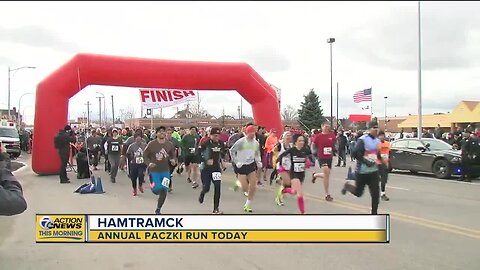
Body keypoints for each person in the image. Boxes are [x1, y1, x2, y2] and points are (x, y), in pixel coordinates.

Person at [341, 123, 382, 215]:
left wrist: (382, 163)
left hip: (373, 172)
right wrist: (366, 161)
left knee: (375, 194)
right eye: (374, 128)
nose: (376, 130)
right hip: (362, 172)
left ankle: (374, 213)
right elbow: (355, 153)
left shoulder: (378, 141)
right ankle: (348, 186)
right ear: (369, 129)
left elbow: (377, 155)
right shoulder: (363, 140)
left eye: (377, 128)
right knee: (358, 193)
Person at [144, 126, 177, 215]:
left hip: (165, 170)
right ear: (156, 133)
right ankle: (152, 184)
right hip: (154, 170)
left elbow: (173, 154)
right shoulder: (151, 144)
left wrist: (173, 160)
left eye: (164, 132)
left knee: (164, 189)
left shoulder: (169, 144)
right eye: (160, 132)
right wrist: (149, 163)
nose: (162, 133)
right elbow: (145, 155)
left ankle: (158, 209)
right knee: (157, 189)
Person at [230, 125, 262, 213]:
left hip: (251, 164)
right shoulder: (241, 142)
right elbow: (232, 151)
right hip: (241, 165)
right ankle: (239, 183)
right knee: (245, 188)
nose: (253, 134)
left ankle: (248, 205)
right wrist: (236, 162)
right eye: (251, 132)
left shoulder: (256, 143)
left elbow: (257, 153)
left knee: (253, 186)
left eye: (254, 132)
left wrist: (258, 161)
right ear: (247, 133)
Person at [277, 133, 311, 214]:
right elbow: (280, 157)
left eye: (302, 140)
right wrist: (281, 166)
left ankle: (284, 190)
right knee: (300, 193)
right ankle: (302, 212)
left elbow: (309, 157)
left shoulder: (305, 150)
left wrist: (308, 162)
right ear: (295, 142)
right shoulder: (292, 150)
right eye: (299, 141)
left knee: (294, 192)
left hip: (301, 174)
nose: (302, 142)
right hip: (294, 174)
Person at [198, 127, 226, 214]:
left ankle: (215, 208)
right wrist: (205, 160)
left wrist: (222, 163)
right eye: (215, 136)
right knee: (207, 188)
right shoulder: (205, 143)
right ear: (210, 135)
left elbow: (221, 154)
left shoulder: (221, 143)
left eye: (218, 136)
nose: (217, 138)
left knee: (217, 187)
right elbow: (198, 154)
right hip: (206, 169)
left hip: (216, 168)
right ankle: (202, 193)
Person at [311, 123, 336, 202]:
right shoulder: (318, 136)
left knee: (326, 175)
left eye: (328, 127)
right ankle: (327, 194)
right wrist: (314, 152)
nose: (327, 128)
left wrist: (335, 149)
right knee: (326, 172)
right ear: (322, 127)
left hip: (329, 157)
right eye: (325, 127)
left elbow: (335, 144)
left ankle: (315, 175)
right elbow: (313, 145)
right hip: (321, 157)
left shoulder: (332, 135)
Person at [166, 127, 181, 192]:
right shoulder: (162, 140)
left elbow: (179, 148)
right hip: (164, 159)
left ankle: (167, 185)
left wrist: (178, 156)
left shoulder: (174, 140)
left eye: (170, 133)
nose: (169, 134)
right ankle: (168, 186)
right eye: (167, 133)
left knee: (169, 173)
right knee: (167, 173)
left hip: (172, 159)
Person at [377, 131, 391, 201]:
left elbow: (389, 153)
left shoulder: (387, 144)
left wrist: (388, 162)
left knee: (384, 180)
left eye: (383, 135)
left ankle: (383, 193)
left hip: (385, 164)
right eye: (380, 135)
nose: (382, 137)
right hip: (378, 164)